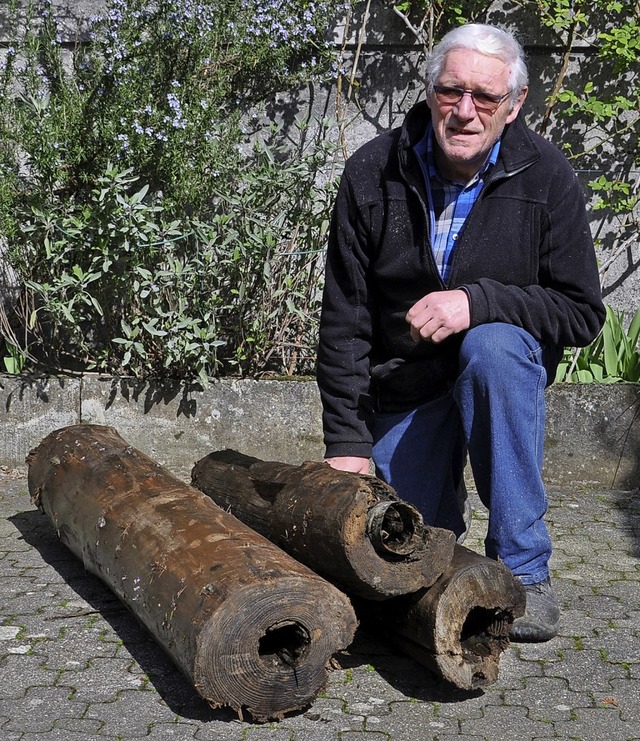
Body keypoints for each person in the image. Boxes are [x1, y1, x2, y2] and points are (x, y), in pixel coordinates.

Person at [317, 23, 605, 642]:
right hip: (407, 384)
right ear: (428, 88)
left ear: (515, 103)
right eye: (451, 91)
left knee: (493, 347)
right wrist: (346, 441)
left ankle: (525, 570)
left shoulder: (547, 177)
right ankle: (443, 498)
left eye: (485, 97)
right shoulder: (372, 173)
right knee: (404, 563)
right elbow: (345, 317)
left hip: (497, 372)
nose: (465, 111)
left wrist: (476, 304)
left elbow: (581, 312)